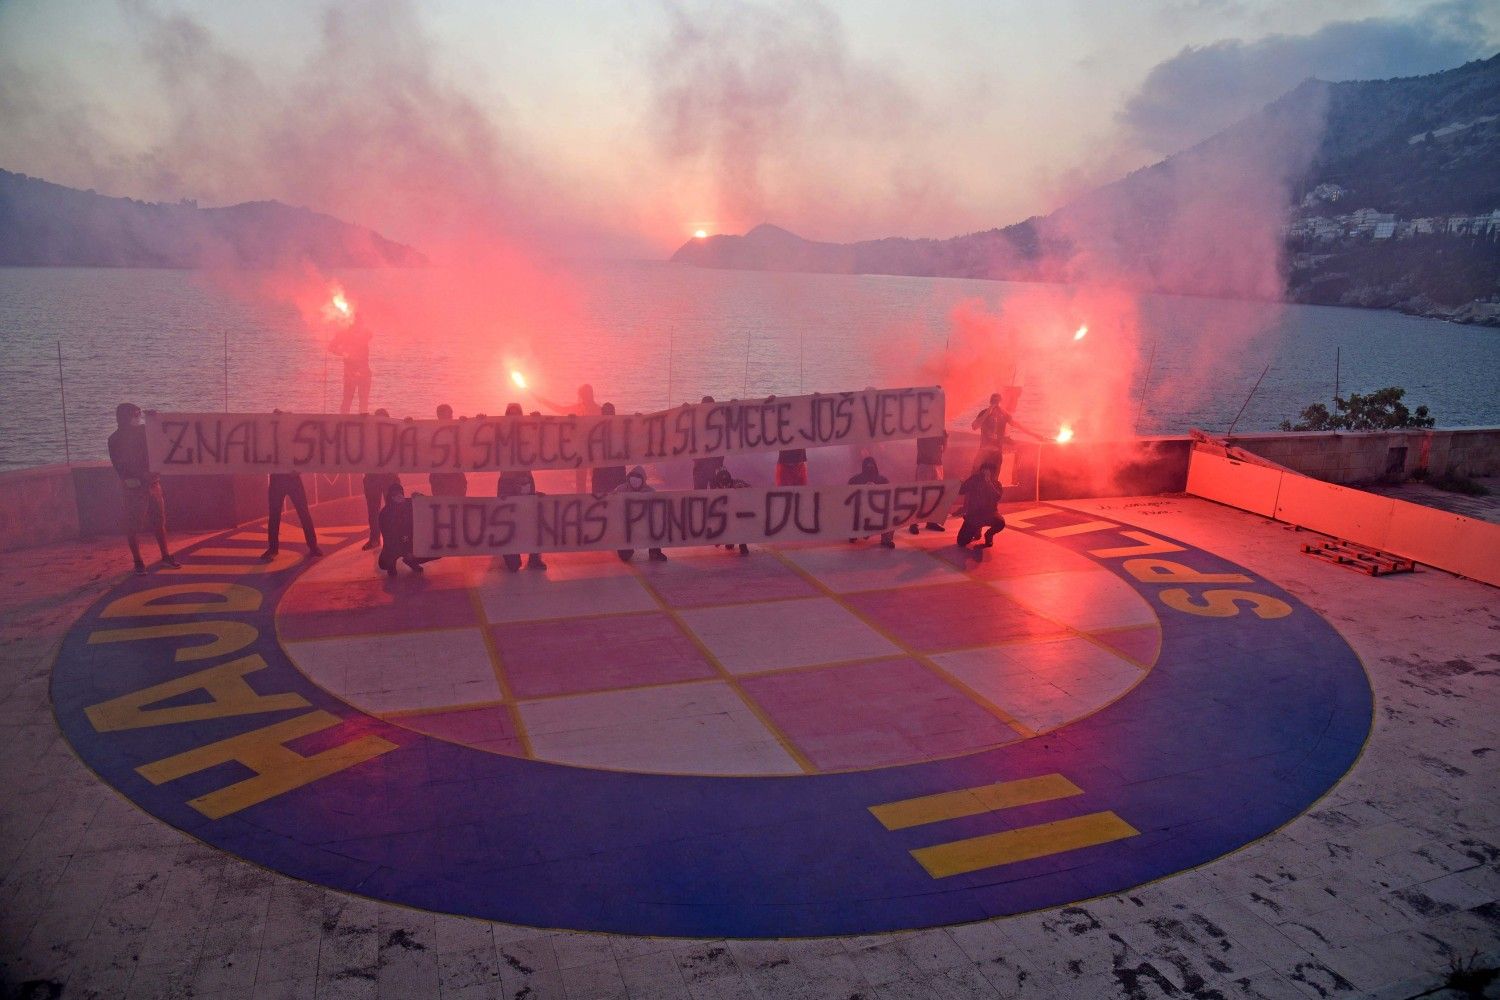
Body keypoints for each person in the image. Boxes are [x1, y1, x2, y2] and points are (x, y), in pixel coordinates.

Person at [107, 402, 179, 575]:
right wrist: (141, 476)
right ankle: (138, 562)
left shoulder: (141, 432)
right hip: (134, 489)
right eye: (135, 414)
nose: (137, 418)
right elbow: (120, 466)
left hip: (153, 485)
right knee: (133, 525)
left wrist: (155, 418)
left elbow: (159, 432)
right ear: (124, 416)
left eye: (139, 414)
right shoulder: (115, 439)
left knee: (159, 522)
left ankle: (165, 555)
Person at [970, 387, 1037, 474]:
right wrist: (989, 411)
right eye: (994, 403)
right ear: (991, 403)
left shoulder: (1004, 414)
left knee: (994, 478)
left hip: (996, 453)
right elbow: (974, 426)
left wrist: (1034, 434)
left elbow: (1017, 425)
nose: (996, 406)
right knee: (975, 473)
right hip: (984, 451)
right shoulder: (984, 413)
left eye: (997, 403)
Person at [376, 482, 436, 577]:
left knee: (435, 551)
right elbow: (389, 539)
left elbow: (428, 506)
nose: (398, 496)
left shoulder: (409, 504)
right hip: (394, 544)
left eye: (400, 493)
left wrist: (421, 497)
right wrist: (406, 551)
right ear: (390, 496)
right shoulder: (385, 514)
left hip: (410, 541)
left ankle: (411, 561)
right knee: (384, 563)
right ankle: (392, 564)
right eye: (395, 494)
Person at [260, 472, 322, 562]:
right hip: (282, 479)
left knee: (302, 513)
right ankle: (313, 547)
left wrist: (298, 471)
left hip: (288, 479)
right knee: (276, 515)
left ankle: (313, 546)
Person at [361, 409, 401, 550]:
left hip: (387, 477)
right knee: (374, 510)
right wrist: (361, 422)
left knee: (394, 509)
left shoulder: (395, 433)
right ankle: (375, 539)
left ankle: (394, 538)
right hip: (374, 477)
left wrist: (408, 424)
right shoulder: (367, 433)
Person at [613, 465, 666, 562]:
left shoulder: (650, 491)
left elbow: (658, 512)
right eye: (633, 477)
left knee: (656, 525)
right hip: (626, 526)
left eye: (639, 477)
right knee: (625, 557)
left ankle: (655, 551)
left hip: (644, 523)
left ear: (643, 479)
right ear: (628, 478)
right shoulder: (620, 490)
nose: (635, 480)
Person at [497, 470, 546, 571]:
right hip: (510, 476)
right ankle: (516, 554)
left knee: (530, 513)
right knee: (509, 514)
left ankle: (533, 556)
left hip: (521, 474)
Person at [848, 456, 895, 548]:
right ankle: (853, 533)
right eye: (867, 466)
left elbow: (890, 494)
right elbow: (848, 494)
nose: (870, 469)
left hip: (878, 510)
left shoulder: (882, 480)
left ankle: (886, 539)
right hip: (862, 510)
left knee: (890, 514)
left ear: (875, 467)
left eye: (872, 466)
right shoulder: (856, 480)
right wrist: (863, 488)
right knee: (850, 512)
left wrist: (877, 488)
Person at [329, 317, 373, 415]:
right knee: (347, 400)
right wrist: (344, 353)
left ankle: (363, 423)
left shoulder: (364, 334)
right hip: (350, 372)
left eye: (359, 323)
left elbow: (370, 334)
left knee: (364, 401)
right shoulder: (344, 334)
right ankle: (343, 422)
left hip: (364, 371)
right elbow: (331, 347)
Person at [957, 462, 1005, 549]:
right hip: (974, 514)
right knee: (961, 542)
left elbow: (997, 497)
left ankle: (989, 534)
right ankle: (976, 528)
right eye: (984, 471)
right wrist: (960, 483)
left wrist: (988, 482)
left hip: (990, 513)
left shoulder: (996, 483)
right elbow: (961, 491)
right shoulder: (974, 480)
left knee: (1000, 523)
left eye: (989, 472)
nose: (985, 474)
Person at [910, 430, 949, 534]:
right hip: (925, 464)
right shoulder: (923, 427)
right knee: (920, 494)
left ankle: (932, 521)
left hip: (937, 464)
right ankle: (913, 523)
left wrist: (945, 438)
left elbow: (943, 449)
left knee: (935, 495)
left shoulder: (940, 429)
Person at [428, 403, 469, 498]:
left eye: (451, 414)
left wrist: (471, 422)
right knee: (442, 506)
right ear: (439, 416)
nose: (451, 417)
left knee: (458, 505)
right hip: (439, 477)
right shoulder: (430, 430)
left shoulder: (458, 428)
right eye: (448, 414)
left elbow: (470, 439)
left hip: (456, 476)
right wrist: (408, 423)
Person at [710, 465, 751, 555]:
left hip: (739, 513)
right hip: (726, 515)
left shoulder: (738, 483)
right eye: (722, 483)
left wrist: (745, 488)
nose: (724, 486)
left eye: (726, 483)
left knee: (739, 523)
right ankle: (729, 540)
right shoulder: (715, 490)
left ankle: (742, 544)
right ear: (718, 482)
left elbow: (754, 493)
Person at [591, 402, 628, 494]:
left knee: (617, 499)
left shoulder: (622, 426)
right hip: (601, 470)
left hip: (616, 470)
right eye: (605, 412)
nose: (607, 414)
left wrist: (638, 420)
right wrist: (573, 419)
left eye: (609, 412)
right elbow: (580, 434)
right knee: (600, 499)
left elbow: (637, 435)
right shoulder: (593, 426)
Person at [692, 396, 725, 489]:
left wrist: (734, 406)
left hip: (715, 466)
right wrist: (684, 409)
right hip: (701, 467)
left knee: (714, 496)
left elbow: (733, 419)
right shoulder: (696, 420)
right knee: (700, 497)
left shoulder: (720, 419)